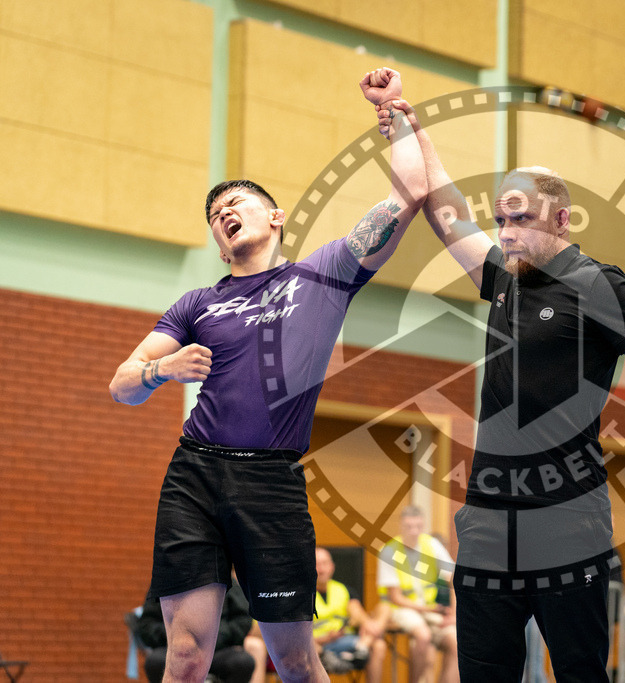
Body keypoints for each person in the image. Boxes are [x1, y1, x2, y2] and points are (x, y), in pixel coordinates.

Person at [370, 68, 625, 682]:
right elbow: (444, 207)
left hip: (568, 520)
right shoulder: (503, 276)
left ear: (562, 220)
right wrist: (406, 123)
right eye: (501, 219)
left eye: (520, 219)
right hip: (487, 521)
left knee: (579, 672)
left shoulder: (599, 284)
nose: (507, 233)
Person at [109, 69, 426, 683]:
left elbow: (408, 192)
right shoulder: (196, 304)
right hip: (194, 474)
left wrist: (393, 114)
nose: (224, 212)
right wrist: (160, 368)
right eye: (215, 213)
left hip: (270, 480)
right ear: (218, 244)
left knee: (295, 662)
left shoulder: (323, 274)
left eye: (237, 203)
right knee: (183, 654)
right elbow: (121, 384)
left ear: (276, 217)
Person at [377, 505, 458, 683]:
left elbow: (454, 577)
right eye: (409, 527)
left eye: (418, 526)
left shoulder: (431, 545)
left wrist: (453, 611)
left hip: (431, 610)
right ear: (401, 526)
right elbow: (395, 597)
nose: (414, 531)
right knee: (423, 636)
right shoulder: (389, 551)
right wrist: (430, 609)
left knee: (456, 641)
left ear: (423, 526)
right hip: (401, 609)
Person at [136, 581, 256, 683]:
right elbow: (147, 624)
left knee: (242, 662)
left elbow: (243, 620)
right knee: (155, 662)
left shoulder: (224, 578)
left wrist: (217, 637)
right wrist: (176, 638)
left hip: (218, 650)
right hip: (173, 649)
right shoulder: (165, 580)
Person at [313, 547, 388, 680]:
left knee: (379, 644)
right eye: (317, 564)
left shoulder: (344, 591)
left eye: (325, 564)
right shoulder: (301, 595)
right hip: (317, 646)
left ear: (332, 567)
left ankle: (361, 649)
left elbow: (358, 614)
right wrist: (325, 639)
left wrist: (367, 625)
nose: (321, 569)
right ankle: (335, 657)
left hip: (344, 641)